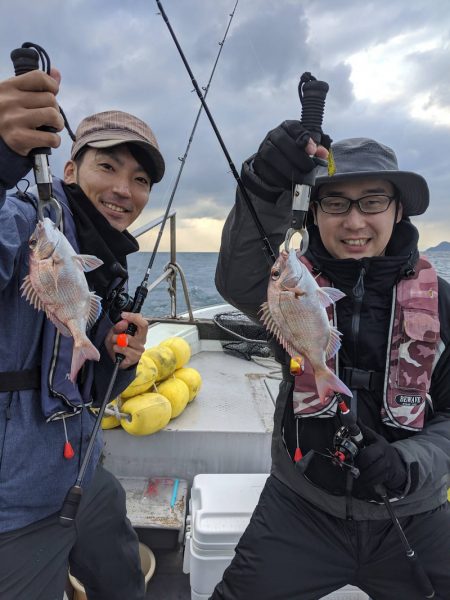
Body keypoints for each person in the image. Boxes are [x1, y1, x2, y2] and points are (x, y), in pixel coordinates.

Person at [212, 120, 450, 599]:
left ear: (398, 209)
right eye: (336, 203)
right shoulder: (291, 286)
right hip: (300, 504)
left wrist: (407, 463)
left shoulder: (443, 303)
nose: (355, 221)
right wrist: (263, 184)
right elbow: (237, 274)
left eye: (373, 201)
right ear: (314, 212)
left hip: (415, 512)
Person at [0, 67, 165, 599]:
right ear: (69, 169)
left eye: (140, 180)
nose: (124, 189)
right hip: (14, 508)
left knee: (122, 581)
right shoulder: (27, 222)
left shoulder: (104, 262)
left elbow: (90, 391)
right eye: (108, 166)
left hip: (82, 473)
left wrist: (122, 360)